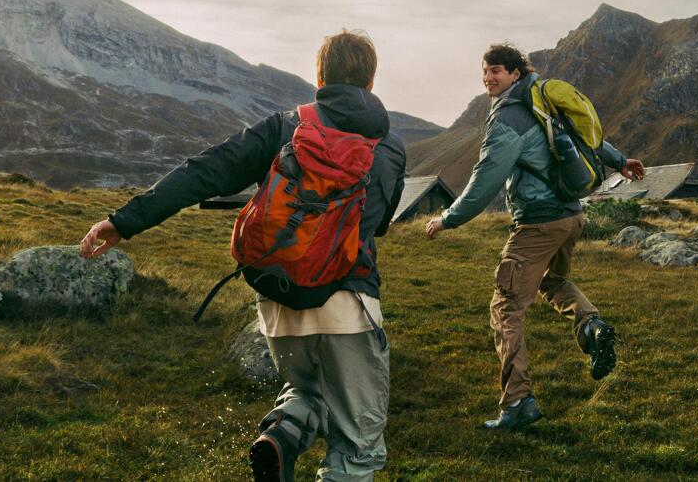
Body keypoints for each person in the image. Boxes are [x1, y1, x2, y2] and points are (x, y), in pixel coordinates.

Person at [80, 30, 406, 482]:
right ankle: (291, 441)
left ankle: (281, 436)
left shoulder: (284, 126)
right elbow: (379, 223)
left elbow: (206, 171)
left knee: (306, 391)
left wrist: (124, 221)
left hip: (278, 301)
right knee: (357, 448)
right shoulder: (389, 145)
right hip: (349, 304)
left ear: (320, 79)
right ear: (370, 82)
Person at [424, 43, 644, 431]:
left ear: (515, 73)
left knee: (506, 306)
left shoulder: (509, 116)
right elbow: (584, 137)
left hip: (538, 223)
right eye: (485, 70)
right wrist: (619, 160)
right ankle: (592, 327)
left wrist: (448, 218)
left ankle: (518, 402)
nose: (488, 77)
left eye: (496, 70)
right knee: (553, 280)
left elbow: (486, 177)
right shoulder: (542, 99)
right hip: (571, 215)